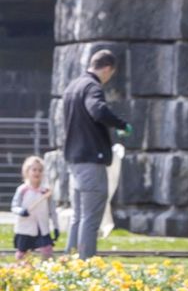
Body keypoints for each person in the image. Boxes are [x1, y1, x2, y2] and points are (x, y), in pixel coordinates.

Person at [61, 49, 131, 260]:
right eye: (111, 74)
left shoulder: (73, 86)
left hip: (74, 160)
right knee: (91, 218)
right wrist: (121, 124)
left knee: (79, 216)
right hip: (91, 160)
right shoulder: (92, 87)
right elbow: (98, 110)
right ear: (108, 69)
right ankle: (85, 266)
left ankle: (68, 263)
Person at [10, 156, 60, 261]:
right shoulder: (22, 190)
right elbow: (14, 206)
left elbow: (52, 211)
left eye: (40, 170)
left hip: (42, 228)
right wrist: (21, 211)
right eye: (34, 170)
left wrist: (56, 227)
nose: (37, 172)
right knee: (23, 253)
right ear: (27, 172)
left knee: (47, 250)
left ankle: (47, 268)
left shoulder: (46, 192)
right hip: (25, 228)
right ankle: (21, 271)